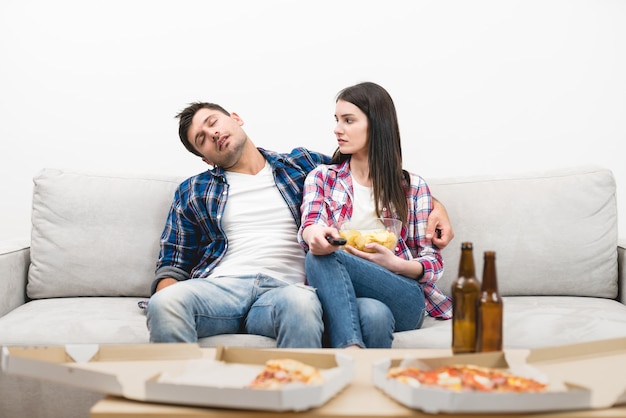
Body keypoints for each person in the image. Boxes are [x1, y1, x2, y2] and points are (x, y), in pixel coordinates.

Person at [146, 100, 454, 348]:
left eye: (212, 122)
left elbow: (369, 176)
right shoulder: (193, 190)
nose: (211, 134)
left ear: (236, 118)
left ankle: (299, 400)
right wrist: (166, 297)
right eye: (201, 139)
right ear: (205, 158)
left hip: (286, 290)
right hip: (221, 288)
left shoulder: (301, 164)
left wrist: (436, 206)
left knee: (302, 304)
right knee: (165, 304)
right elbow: (173, 261)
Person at [299, 82, 452, 349]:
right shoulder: (323, 178)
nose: (337, 129)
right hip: (346, 294)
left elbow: (433, 262)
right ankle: (357, 360)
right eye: (337, 120)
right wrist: (314, 235)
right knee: (374, 316)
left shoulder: (412, 187)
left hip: (401, 292)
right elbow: (311, 224)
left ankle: (349, 352)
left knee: (323, 257)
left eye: (348, 120)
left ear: (376, 124)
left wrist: (395, 265)